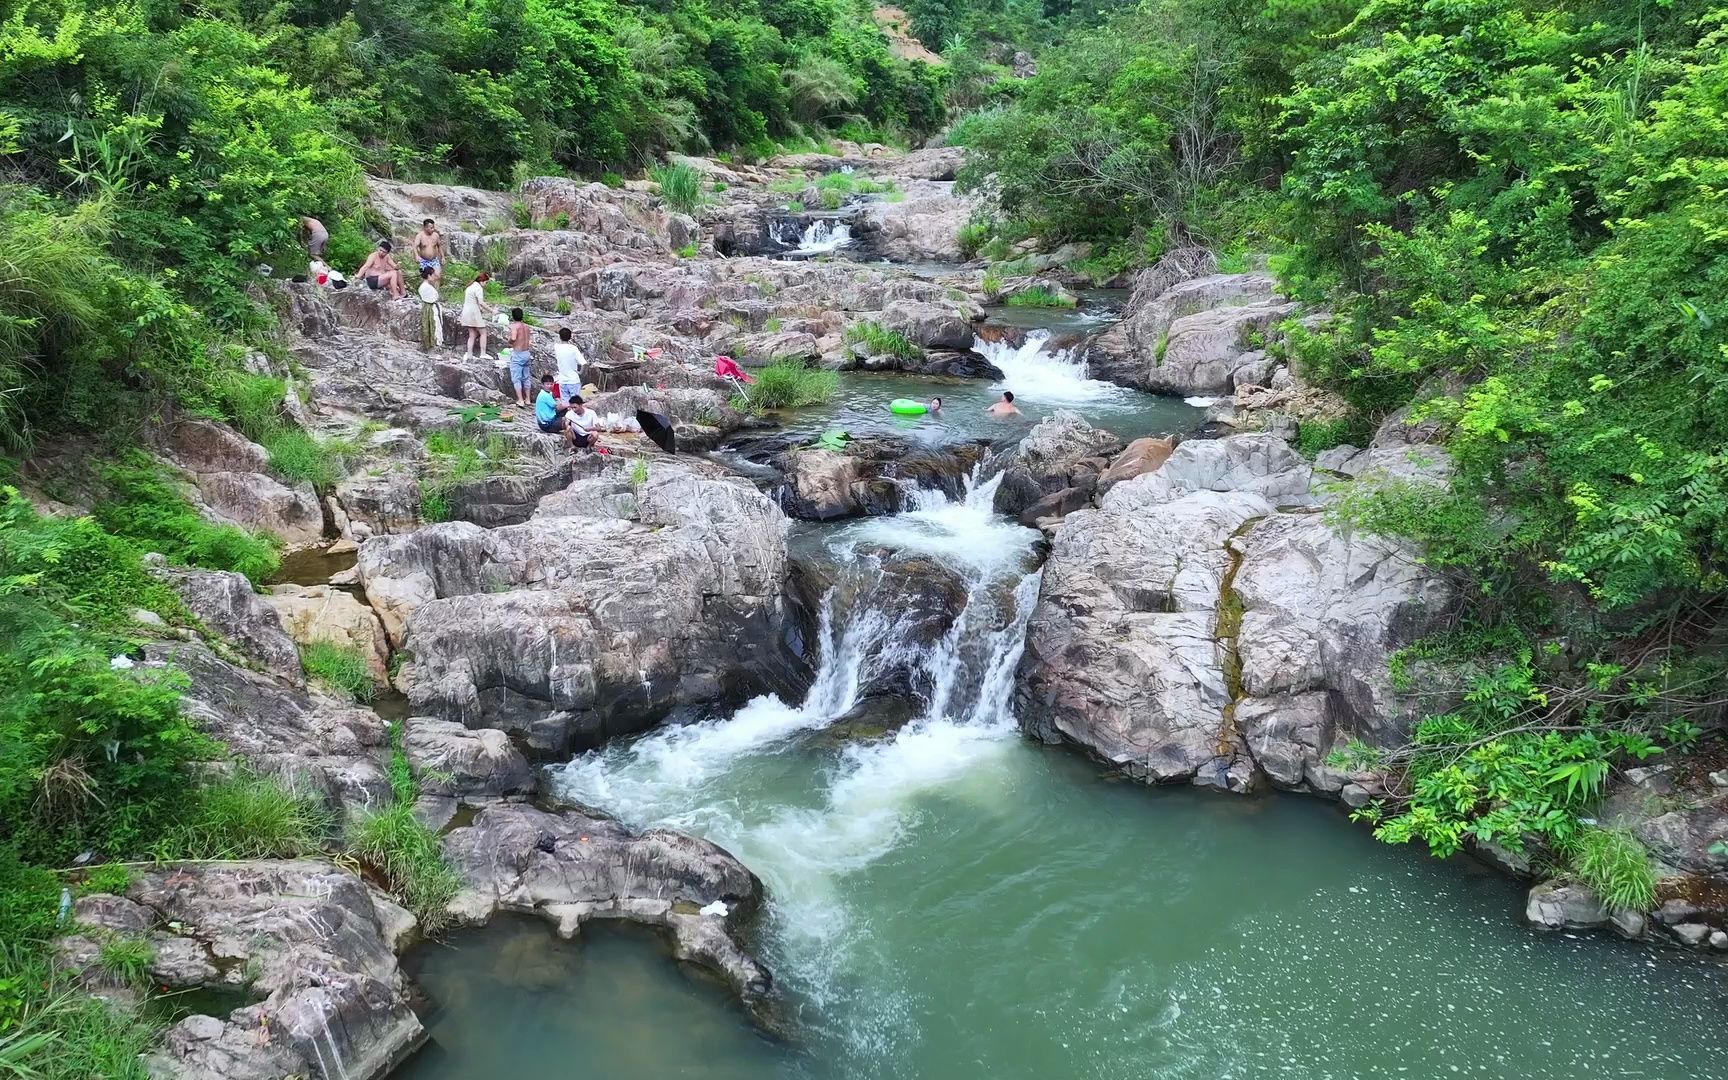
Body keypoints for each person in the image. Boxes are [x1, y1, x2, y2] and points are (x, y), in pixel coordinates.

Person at [460, 272, 492, 360]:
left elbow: (474, 301)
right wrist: (492, 311)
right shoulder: (478, 288)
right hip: (473, 313)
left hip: (466, 312)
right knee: (483, 332)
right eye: (486, 282)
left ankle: (469, 354)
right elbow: (481, 302)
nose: (486, 284)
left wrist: (480, 308)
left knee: (472, 334)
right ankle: (483, 353)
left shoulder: (470, 287)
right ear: (482, 281)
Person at [507, 307, 534, 407]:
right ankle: (528, 399)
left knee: (516, 378)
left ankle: (520, 400)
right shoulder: (526, 327)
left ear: (513, 316)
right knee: (526, 377)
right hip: (526, 353)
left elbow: (514, 338)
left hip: (518, 354)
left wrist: (509, 342)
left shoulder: (515, 326)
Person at [553, 327, 585, 398]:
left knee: (565, 403)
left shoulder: (557, 347)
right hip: (573, 380)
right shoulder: (573, 348)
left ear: (559, 337)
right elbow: (583, 363)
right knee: (575, 402)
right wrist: (580, 372)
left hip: (562, 380)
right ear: (570, 337)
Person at [413, 218, 445, 284]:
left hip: (434, 260)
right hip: (424, 260)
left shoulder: (436, 235)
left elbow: (439, 246)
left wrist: (443, 257)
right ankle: (426, 292)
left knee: (437, 276)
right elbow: (415, 246)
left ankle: (436, 292)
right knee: (426, 278)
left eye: (433, 227)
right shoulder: (420, 236)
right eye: (431, 228)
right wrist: (416, 256)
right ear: (425, 227)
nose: (433, 229)